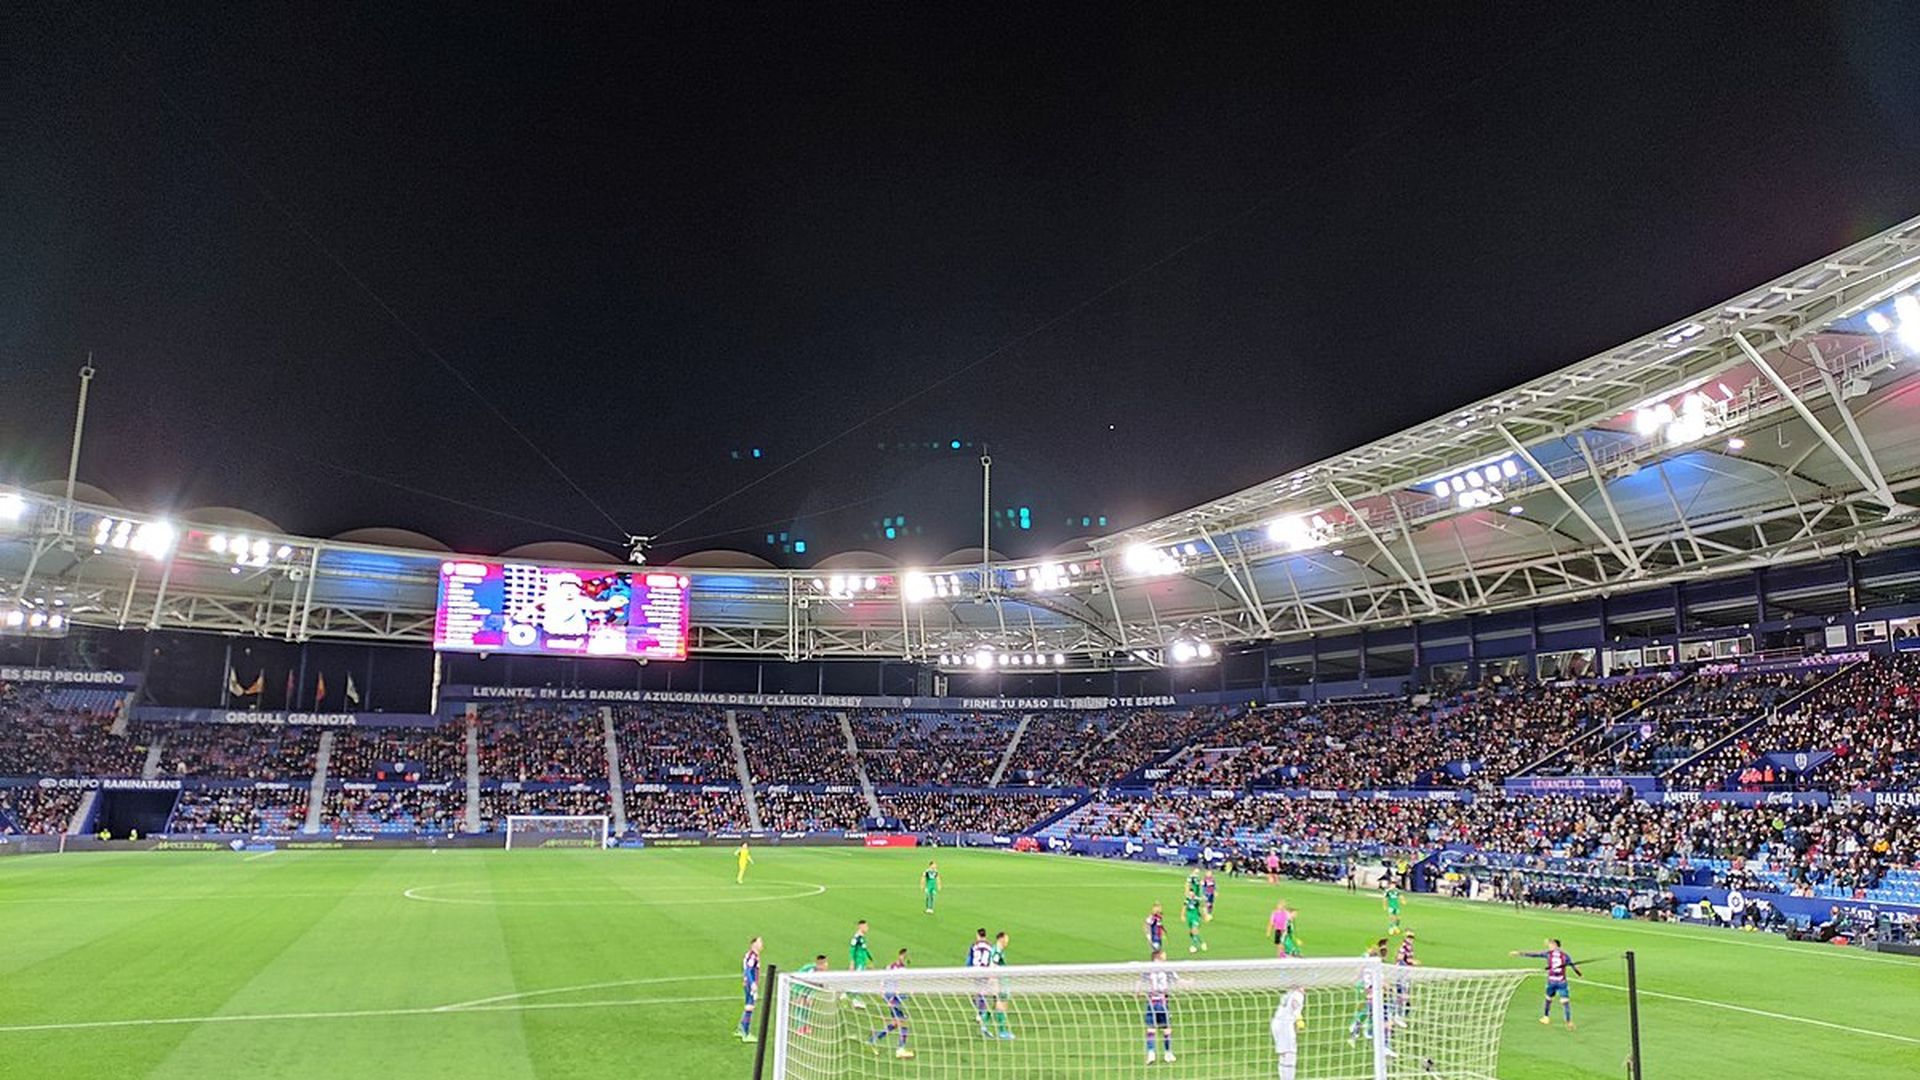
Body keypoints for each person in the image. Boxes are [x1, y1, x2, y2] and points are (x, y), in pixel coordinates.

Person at [1510, 938, 1582, 1030]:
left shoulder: (1548, 954)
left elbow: (1534, 955)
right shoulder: (1565, 956)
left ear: (1556, 945)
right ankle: (1568, 1021)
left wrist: (1519, 953)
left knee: (1549, 999)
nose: (1549, 946)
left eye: (1551, 945)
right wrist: (1579, 974)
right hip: (1562, 982)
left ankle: (1546, 1017)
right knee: (1565, 1002)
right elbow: (1574, 966)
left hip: (1552, 982)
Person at [866, 948, 915, 1058]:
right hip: (893, 997)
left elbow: (883, 980)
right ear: (901, 956)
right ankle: (900, 1049)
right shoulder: (901, 970)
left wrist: (882, 991)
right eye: (905, 957)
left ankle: (872, 1039)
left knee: (895, 1023)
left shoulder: (890, 966)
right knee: (903, 1022)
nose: (906, 959)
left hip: (890, 997)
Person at [1142, 950, 1177, 1064]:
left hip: (1151, 1003)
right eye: (1164, 955)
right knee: (1166, 1029)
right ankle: (1168, 1053)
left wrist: (1137, 992)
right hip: (1162, 1003)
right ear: (1159, 957)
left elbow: (1141, 984)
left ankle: (1151, 1053)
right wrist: (1189, 983)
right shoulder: (1167, 969)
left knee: (1151, 1028)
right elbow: (1177, 981)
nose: (1166, 957)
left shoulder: (1147, 970)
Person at [1270, 987, 1307, 1080]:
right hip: (1284, 1025)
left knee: (1283, 1054)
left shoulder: (1289, 993)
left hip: (1277, 1023)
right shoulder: (1298, 995)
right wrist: (1299, 1020)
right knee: (1290, 1054)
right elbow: (1295, 1006)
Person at [967, 928, 997, 1037]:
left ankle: (982, 1014)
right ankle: (982, 1013)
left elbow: (970, 960)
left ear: (977, 935)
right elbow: (992, 959)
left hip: (976, 971)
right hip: (986, 972)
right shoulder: (990, 946)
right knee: (981, 993)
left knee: (978, 994)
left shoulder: (974, 945)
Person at [988, 930, 1014, 1040]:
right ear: (1001, 939)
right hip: (1000, 981)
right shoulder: (997, 951)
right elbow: (993, 965)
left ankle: (984, 1026)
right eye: (1006, 939)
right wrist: (993, 980)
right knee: (1001, 1004)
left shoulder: (996, 949)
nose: (1007, 941)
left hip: (1000, 980)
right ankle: (1002, 1031)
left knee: (996, 1004)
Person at [737, 936, 763, 1042]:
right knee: (750, 1006)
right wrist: (752, 983)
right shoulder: (753, 956)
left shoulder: (750, 954)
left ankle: (741, 1029)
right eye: (760, 942)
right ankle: (746, 1034)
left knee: (748, 1005)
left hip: (747, 982)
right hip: (749, 983)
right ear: (754, 944)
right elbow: (748, 970)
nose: (762, 944)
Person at [848, 919, 873, 1010]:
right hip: (858, 962)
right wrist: (852, 961)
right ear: (860, 927)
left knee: (860, 980)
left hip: (862, 962)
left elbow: (865, 950)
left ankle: (850, 996)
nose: (867, 928)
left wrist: (870, 959)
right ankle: (854, 999)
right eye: (866, 926)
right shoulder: (856, 938)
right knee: (858, 980)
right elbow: (852, 950)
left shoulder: (862, 937)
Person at [1184, 889, 1209, 953]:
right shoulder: (1187, 899)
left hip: (1196, 917)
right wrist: (1182, 915)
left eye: (1192, 894)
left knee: (1194, 930)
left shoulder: (1197, 899)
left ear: (1194, 894)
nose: (1191, 895)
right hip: (1189, 917)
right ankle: (1202, 943)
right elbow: (1184, 907)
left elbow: (1203, 903)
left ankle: (1194, 946)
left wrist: (1205, 914)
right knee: (1191, 933)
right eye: (1190, 894)